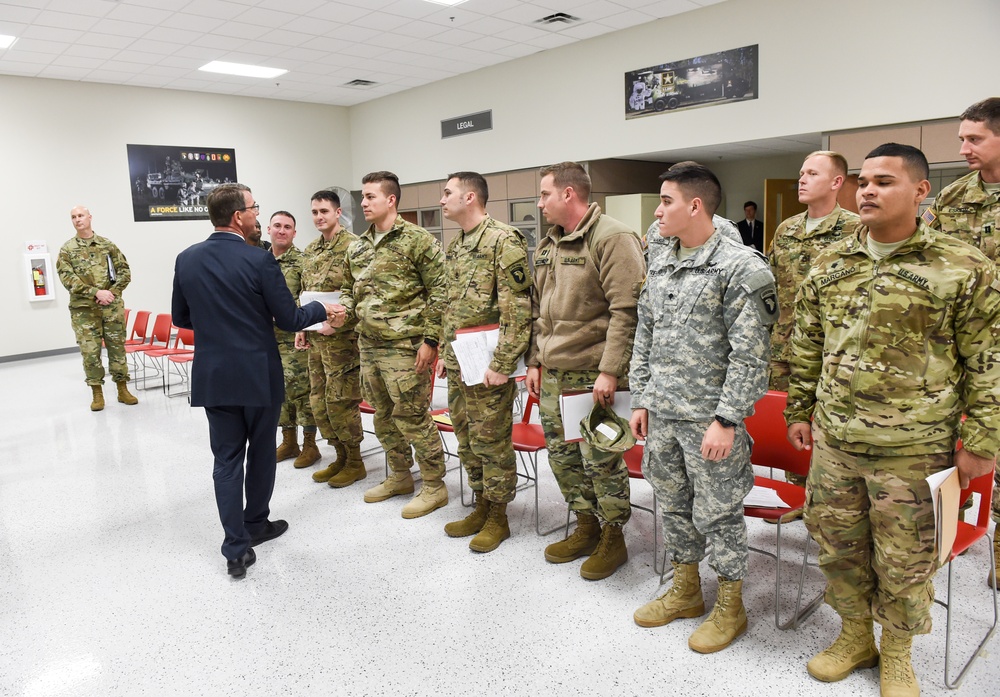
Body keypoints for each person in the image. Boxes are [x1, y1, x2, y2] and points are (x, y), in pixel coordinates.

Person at [786, 144, 1000, 696]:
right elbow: (807, 342)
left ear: (921, 191)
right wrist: (798, 409)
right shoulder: (830, 262)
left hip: (916, 446)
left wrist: (981, 442)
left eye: (884, 181)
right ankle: (856, 636)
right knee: (837, 546)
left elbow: (989, 362)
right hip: (836, 440)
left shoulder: (962, 266)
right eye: (863, 183)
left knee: (906, 562)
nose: (868, 191)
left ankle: (898, 654)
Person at [629, 164, 777, 653]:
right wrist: (643, 397)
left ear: (695, 206)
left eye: (666, 200)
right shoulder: (664, 258)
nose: (658, 210)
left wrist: (727, 419)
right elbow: (645, 331)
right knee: (673, 506)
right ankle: (687, 590)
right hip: (664, 415)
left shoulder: (741, 267)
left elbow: (751, 354)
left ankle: (731, 607)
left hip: (709, 421)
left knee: (719, 513)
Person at [171, 183, 335, 579]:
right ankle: (256, 524)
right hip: (258, 375)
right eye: (253, 208)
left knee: (226, 460)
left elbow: (181, 318)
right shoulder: (259, 260)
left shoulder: (186, 259)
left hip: (214, 376)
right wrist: (323, 307)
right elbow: (290, 319)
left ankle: (235, 549)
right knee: (261, 452)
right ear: (237, 217)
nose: (257, 215)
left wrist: (219, 325)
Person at [525, 161, 645, 580]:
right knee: (563, 458)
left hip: (594, 376)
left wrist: (611, 371)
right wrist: (536, 360)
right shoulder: (549, 244)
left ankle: (614, 536)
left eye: (544, 195)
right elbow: (539, 308)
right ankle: (586, 525)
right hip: (555, 373)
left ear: (568, 194)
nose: (539, 203)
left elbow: (626, 311)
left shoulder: (613, 237)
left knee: (602, 461)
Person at [330, 171, 448, 519]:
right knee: (383, 417)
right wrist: (342, 312)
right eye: (363, 197)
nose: (363, 203)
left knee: (412, 417)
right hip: (369, 345)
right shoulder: (358, 247)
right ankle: (399, 476)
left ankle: (434, 485)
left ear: (391, 200)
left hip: (405, 346)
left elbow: (441, 292)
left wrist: (430, 341)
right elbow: (353, 293)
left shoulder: (418, 240)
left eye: (370, 197)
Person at [924, 97, 1000, 586]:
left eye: (975, 138)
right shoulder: (953, 198)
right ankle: (956, 522)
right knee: (960, 441)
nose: (964, 147)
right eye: (961, 138)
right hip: (961, 345)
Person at [436, 171, 532, 553]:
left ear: (470, 196)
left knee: (491, 442)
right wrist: (445, 354)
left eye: (447, 193)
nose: (442, 200)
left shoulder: (503, 239)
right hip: (461, 360)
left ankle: (499, 516)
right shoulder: (458, 244)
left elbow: (518, 308)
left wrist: (504, 362)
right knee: (466, 437)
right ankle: (481, 503)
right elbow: (450, 306)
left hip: (489, 363)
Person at [766, 151, 862, 515]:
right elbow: (771, 286)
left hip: (828, 351)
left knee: (826, 426)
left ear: (837, 182)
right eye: (801, 172)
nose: (802, 180)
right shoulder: (787, 229)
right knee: (789, 424)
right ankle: (799, 496)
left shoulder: (855, 230)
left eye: (812, 173)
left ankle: (829, 502)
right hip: (782, 348)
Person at [296, 190, 366, 489]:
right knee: (318, 401)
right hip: (316, 340)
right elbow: (305, 293)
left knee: (341, 402)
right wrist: (301, 326)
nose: (319, 217)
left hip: (343, 341)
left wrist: (338, 325)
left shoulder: (355, 246)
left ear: (338, 213)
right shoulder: (310, 251)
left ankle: (355, 461)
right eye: (314, 212)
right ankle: (338, 455)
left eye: (324, 211)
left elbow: (363, 295)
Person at [56, 205, 138, 411]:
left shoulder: (107, 245)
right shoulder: (67, 249)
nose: (77, 219)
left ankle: (122, 389)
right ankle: (97, 393)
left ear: (90, 217)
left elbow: (125, 271)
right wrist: (95, 293)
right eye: (73, 217)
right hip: (84, 310)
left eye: (81, 215)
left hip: (111, 307)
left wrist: (112, 292)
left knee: (117, 348)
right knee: (90, 352)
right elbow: (68, 279)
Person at [267, 210, 321, 469]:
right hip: (267, 339)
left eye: (287, 227)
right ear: (269, 230)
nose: (281, 230)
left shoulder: (302, 262)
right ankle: (289, 441)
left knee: (301, 390)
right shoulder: (259, 261)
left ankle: (310, 444)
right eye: (277, 225)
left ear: (294, 232)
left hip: (295, 338)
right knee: (278, 391)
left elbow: (308, 297)